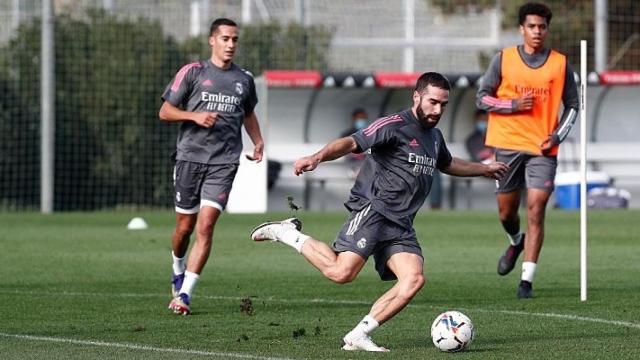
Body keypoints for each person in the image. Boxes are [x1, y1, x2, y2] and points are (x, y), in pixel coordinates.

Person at [250, 72, 508, 352]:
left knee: (413, 280)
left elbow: (446, 164)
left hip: (401, 223)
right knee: (341, 273)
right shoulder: (393, 125)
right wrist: (316, 157)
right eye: (433, 102)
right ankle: (286, 233)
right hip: (374, 209)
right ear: (417, 97)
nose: (438, 110)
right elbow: (351, 142)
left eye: (444, 105)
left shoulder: (434, 137)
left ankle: (358, 335)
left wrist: (483, 168)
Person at [159, 18, 264, 315]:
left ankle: (185, 295)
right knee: (184, 228)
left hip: (224, 161)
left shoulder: (244, 79)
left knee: (206, 226)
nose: (231, 44)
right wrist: (194, 117)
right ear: (212, 40)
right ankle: (177, 266)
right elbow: (165, 111)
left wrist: (257, 141)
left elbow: (248, 114)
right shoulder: (193, 72)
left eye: (235, 39)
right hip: (190, 159)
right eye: (226, 39)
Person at [476, 2, 579, 299]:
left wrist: (556, 136)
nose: (537, 31)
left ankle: (526, 281)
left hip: (542, 149)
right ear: (522, 28)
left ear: (547, 29)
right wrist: (510, 105)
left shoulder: (560, 64)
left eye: (542, 27)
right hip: (507, 145)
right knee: (507, 212)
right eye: (532, 26)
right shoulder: (503, 59)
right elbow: (482, 98)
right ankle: (514, 240)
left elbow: (573, 105)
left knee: (536, 209)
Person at [340, 108, 370, 178]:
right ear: (354, 118)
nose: (361, 120)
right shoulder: (347, 134)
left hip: (367, 167)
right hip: (351, 167)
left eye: (363, 118)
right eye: (359, 118)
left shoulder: (370, 133)